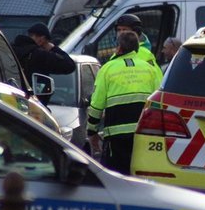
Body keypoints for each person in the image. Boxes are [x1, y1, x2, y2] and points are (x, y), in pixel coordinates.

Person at [87, 30, 161, 175]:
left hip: (116, 137)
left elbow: (96, 105)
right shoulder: (149, 69)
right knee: (141, 174)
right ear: (137, 48)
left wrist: (92, 131)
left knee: (116, 177)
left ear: (119, 48)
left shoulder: (107, 69)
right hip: (143, 134)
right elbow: (159, 100)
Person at [12, 22, 76, 79]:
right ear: (42, 39)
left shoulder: (11, 49)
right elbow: (70, 66)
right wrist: (53, 48)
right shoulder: (39, 54)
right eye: (47, 42)